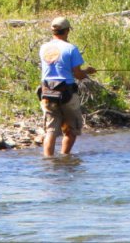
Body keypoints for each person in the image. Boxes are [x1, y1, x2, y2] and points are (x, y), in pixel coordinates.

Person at [38, 16, 96, 157]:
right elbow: (78, 75)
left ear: (53, 31)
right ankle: (65, 157)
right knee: (71, 129)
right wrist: (87, 72)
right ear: (67, 30)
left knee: (50, 130)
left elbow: (56, 67)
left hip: (47, 92)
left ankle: (48, 160)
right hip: (67, 93)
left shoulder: (43, 48)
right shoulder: (71, 49)